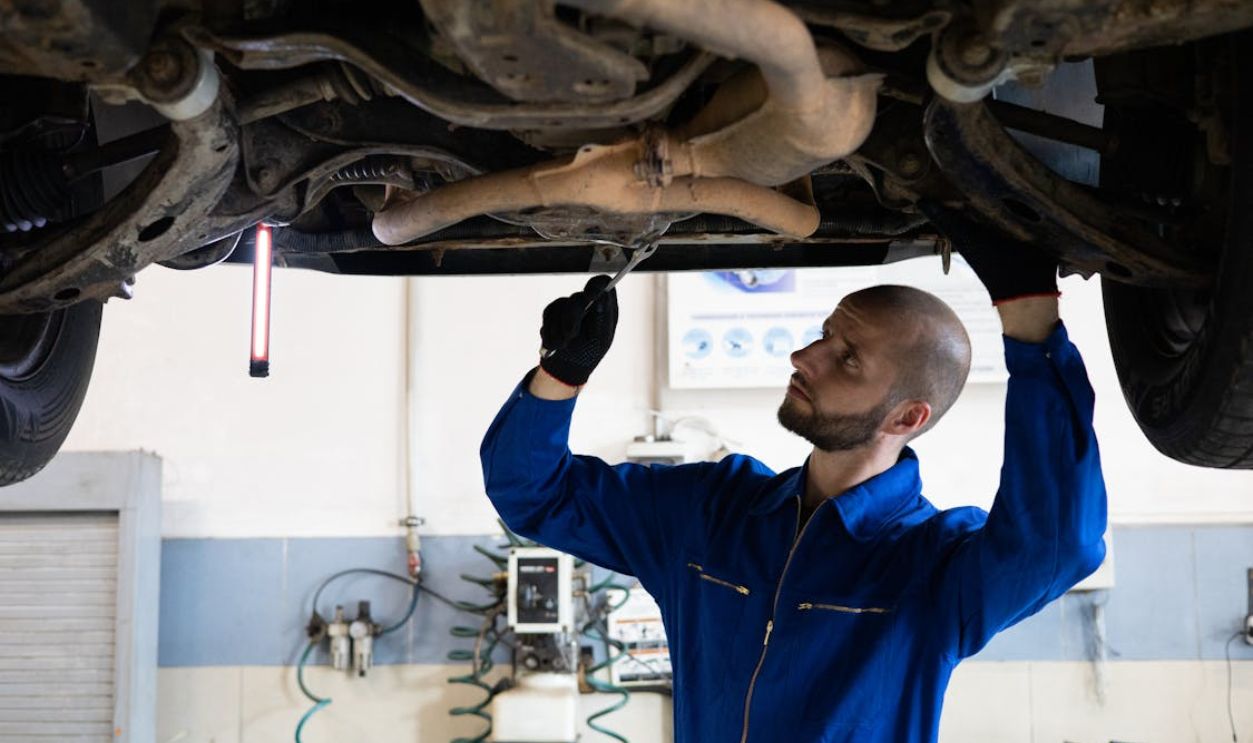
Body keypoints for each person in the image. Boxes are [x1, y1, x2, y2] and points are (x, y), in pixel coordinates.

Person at [479, 240, 1107, 743]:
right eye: (823, 335)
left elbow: (1057, 545)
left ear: (906, 418)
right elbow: (532, 492)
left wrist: (1030, 324)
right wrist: (562, 371)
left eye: (848, 358)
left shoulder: (933, 568)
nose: (805, 357)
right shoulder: (711, 511)